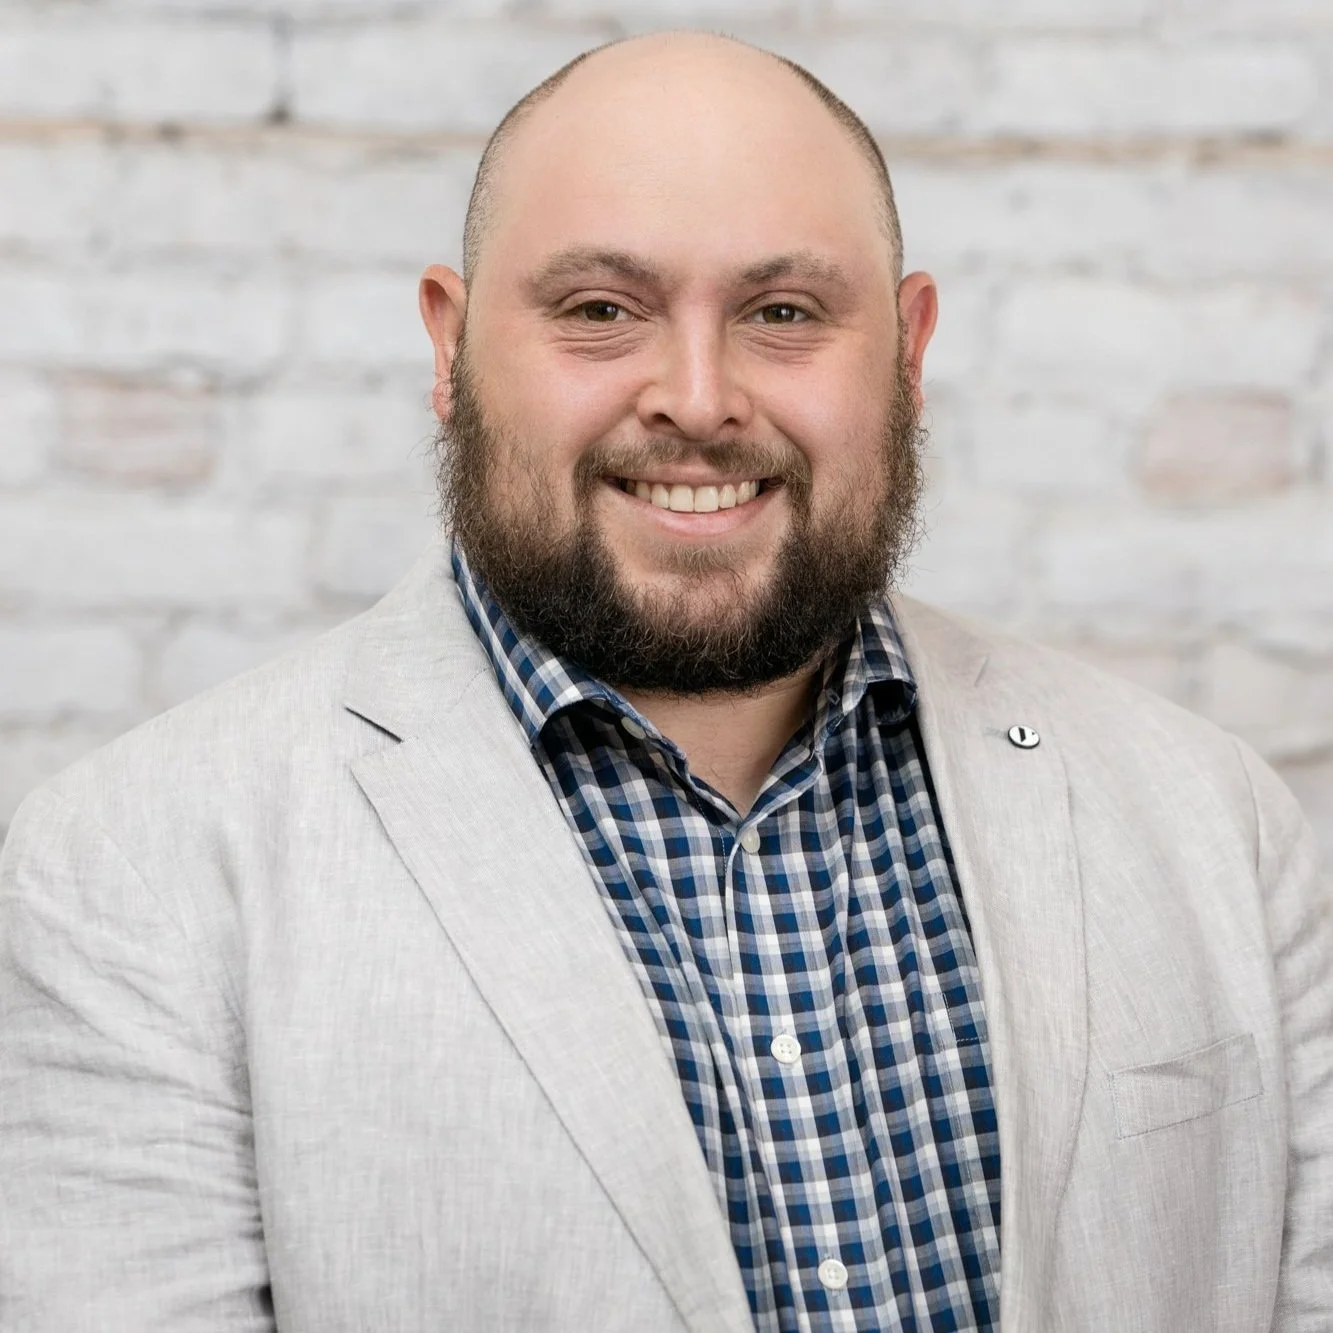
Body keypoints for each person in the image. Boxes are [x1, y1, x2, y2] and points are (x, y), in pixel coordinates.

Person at [0, 30, 1328, 1333]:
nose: (697, 398)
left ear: (909, 353)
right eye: (598, 311)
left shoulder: (1219, 822)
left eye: (784, 313)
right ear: (450, 352)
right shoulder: (129, 877)